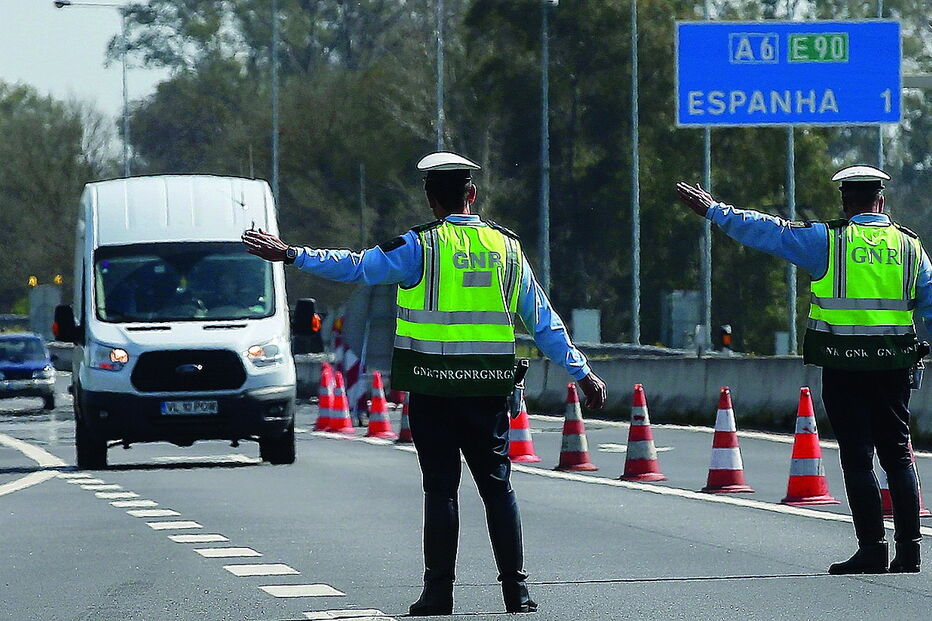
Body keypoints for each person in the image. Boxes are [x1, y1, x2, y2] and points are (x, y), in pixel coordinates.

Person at [244, 151, 607, 614]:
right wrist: (583, 373)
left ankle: (439, 592)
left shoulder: (419, 246)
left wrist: (291, 254)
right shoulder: (508, 248)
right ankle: (517, 591)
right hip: (488, 389)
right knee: (498, 488)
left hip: (433, 390)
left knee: (441, 490)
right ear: (472, 195)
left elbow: (355, 266)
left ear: (431, 199)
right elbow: (543, 323)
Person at [676, 165, 930, 575]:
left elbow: (770, 231)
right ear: (881, 201)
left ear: (846, 203)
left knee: (858, 457)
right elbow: (930, 304)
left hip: (844, 365)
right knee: (899, 455)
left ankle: (872, 549)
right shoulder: (910, 246)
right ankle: (911, 551)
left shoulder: (828, 239)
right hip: (894, 367)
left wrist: (715, 211)